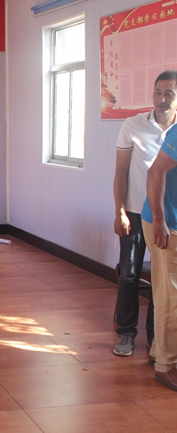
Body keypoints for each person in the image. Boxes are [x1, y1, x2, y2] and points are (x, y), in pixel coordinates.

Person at [112, 70, 177, 357]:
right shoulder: (133, 125)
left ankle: (155, 339)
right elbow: (120, 172)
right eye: (158, 92)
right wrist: (120, 212)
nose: (162, 99)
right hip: (137, 213)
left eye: (169, 94)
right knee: (129, 273)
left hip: (165, 216)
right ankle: (126, 332)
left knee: (161, 280)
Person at [141, 124, 177, 391]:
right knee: (171, 296)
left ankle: (158, 351)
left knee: (168, 291)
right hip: (165, 224)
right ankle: (166, 366)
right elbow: (155, 171)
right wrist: (160, 220)